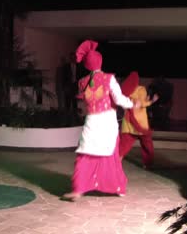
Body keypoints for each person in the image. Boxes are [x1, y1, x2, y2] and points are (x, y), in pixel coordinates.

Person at [62, 40, 140, 201]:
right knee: (109, 154)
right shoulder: (109, 78)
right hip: (107, 121)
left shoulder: (82, 82)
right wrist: (133, 104)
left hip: (91, 121)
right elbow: (119, 100)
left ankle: (78, 189)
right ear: (100, 61)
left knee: (86, 154)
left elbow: (83, 101)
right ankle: (117, 187)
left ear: (86, 65)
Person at [119, 71, 159, 169]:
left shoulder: (133, 90)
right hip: (135, 124)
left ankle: (147, 163)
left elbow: (140, 103)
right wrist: (151, 101)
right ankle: (147, 164)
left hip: (134, 124)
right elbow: (140, 103)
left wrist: (147, 102)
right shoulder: (133, 90)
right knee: (144, 145)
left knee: (143, 145)